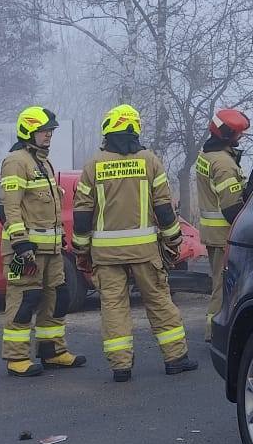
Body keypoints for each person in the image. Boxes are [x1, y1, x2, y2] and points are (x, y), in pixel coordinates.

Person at [72, 103, 197, 381]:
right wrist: (174, 240)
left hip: (106, 255)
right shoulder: (149, 161)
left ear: (108, 130)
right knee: (159, 301)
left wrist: (81, 249)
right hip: (145, 251)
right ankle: (175, 358)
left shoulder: (93, 165)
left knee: (114, 307)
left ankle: (121, 367)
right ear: (135, 129)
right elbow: (164, 208)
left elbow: (82, 213)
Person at [0, 105, 82, 379]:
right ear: (28, 131)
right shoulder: (16, 161)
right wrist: (21, 243)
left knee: (58, 298)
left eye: (50, 131)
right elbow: (10, 207)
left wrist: (61, 239)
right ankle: (16, 358)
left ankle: (53, 351)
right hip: (25, 251)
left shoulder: (43, 162)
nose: (49, 135)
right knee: (25, 300)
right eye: (44, 131)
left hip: (51, 249)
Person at [195, 107, 249, 341]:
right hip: (224, 235)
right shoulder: (224, 164)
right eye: (238, 133)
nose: (241, 136)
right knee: (222, 286)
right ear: (227, 135)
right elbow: (231, 208)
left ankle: (214, 329)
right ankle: (214, 331)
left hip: (212, 233)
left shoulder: (207, 155)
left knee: (219, 281)